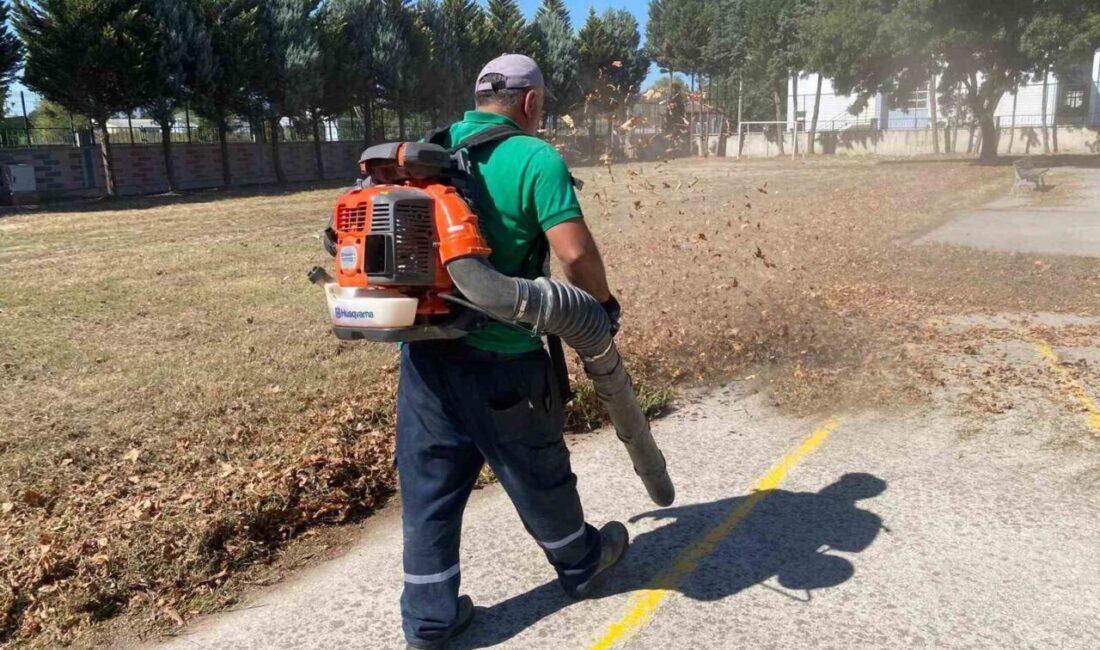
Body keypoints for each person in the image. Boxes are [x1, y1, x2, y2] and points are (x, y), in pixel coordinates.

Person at [396, 54, 628, 649]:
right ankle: (580, 562)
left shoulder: (429, 150)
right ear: (530, 103)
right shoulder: (535, 157)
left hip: (427, 355)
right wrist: (601, 307)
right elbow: (574, 255)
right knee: (536, 469)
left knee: (429, 489)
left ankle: (430, 620)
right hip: (503, 355)